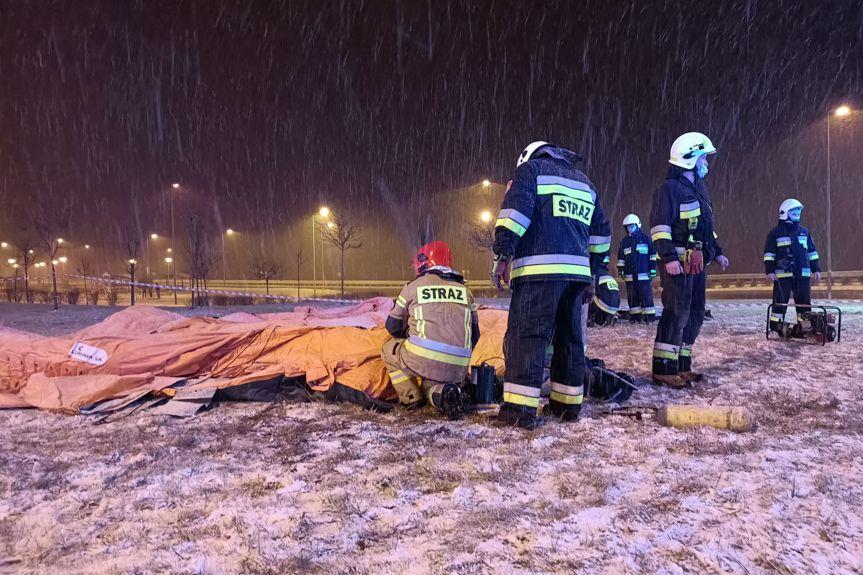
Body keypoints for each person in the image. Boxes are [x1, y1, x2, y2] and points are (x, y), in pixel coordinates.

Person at [491, 141, 611, 429]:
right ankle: (567, 407)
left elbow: (514, 217)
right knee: (569, 340)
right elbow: (601, 235)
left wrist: (502, 254)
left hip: (538, 272)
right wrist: (592, 273)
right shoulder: (585, 182)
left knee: (527, 338)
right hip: (577, 277)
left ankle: (519, 411)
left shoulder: (530, 171)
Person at [650, 132, 730, 388]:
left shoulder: (700, 190)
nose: (706, 162)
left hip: (697, 264)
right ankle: (664, 369)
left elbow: (707, 229)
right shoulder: (669, 190)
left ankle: (682, 365)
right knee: (676, 312)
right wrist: (669, 257)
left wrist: (717, 251)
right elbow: (660, 227)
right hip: (677, 264)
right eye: (703, 157)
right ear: (689, 158)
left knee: (695, 313)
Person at [382, 241, 480, 419]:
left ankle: (411, 399)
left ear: (423, 262)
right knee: (431, 386)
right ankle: (445, 394)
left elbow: (392, 326)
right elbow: (475, 334)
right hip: (459, 365)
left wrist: (410, 334)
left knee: (388, 349)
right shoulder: (465, 291)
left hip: (422, 357)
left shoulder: (413, 287)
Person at [764, 198, 821, 335]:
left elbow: (812, 253)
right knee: (780, 304)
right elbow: (769, 254)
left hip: (802, 275)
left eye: (798, 211)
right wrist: (769, 271)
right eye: (794, 211)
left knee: (804, 305)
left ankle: (805, 328)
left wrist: (816, 269)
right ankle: (776, 327)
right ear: (785, 213)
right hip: (783, 275)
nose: (797, 214)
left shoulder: (804, 232)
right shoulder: (775, 233)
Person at [616, 214, 657, 322]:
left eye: (632, 226)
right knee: (632, 298)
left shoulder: (646, 239)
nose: (630, 228)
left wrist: (653, 269)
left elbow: (653, 255)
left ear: (637, 225)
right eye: (628, 227)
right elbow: (621, 258)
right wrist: (621, 270)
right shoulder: (625, 242)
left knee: (646, 296)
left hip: (644, 276)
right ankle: (635, 317)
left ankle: (649, 317)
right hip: (630, 277)